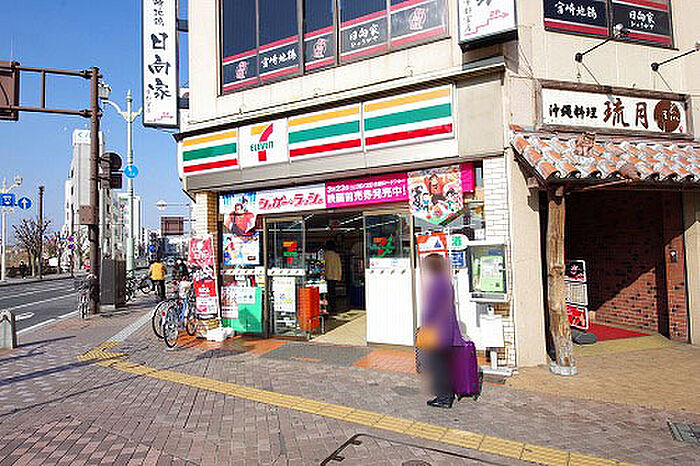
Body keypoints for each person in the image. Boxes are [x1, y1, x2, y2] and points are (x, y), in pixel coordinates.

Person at [419, 254, 466, 409]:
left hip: (438, 331)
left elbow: (431, 309)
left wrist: (424, 324)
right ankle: (448, 393)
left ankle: (443, 398)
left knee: (437, 364)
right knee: (445, 363)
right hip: (448, 330)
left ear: (431, 266)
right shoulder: (446, 281)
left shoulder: (435, 283)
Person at [324, 240, 342, 314]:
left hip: (327, 276)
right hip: (334, 276)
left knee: (327, 293)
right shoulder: (336, 255)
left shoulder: (325, 255)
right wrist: (339, 276)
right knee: (333, 292)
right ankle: (333, 307)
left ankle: (329, 307)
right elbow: (339, 267)